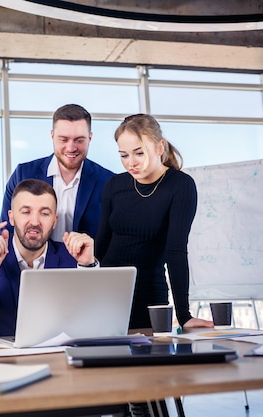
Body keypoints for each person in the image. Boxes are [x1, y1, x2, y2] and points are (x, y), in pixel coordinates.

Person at [95, 113, 213, 332]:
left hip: (149, 298)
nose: (131, 162)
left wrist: (184, 315)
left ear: (160, 147)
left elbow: (176, 251)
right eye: (124, 155)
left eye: (139, 153)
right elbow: (101, 248)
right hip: (107, 297)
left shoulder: (180, 185)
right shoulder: (114, 185)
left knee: (149, 363)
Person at [0, 179, 97, 337]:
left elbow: (93, 323)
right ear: (11, 217)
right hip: (2, 359)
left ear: (54, 221)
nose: (35, 222)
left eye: (44, 213)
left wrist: (87, 266)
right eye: (26, 212)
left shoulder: (72, 257)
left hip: (56, 357)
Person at [0, 103, 114, 241]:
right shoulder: (23, 174)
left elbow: (111, 239)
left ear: (90, 138)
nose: (71, 148)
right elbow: (6, 232)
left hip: (87, 262)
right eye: (63, 139)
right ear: (52, 135)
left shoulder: (108, 182)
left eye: (79, 140)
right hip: (32, 262)